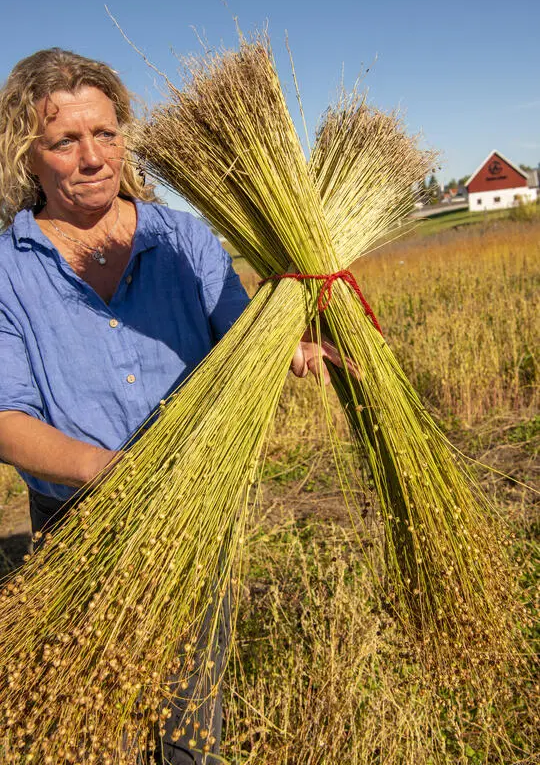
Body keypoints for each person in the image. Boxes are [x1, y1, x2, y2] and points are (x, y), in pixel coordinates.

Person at [0, 48, 340, 763]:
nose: (94, 157)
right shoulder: (7, 273)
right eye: (65, 141)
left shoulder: (182, 238)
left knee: (189, 724)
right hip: (80, 522)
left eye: (107, 133)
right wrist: (109, 472)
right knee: (95, 728)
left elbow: (241, 341)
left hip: (191, 511)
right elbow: (5, 418)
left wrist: (294, 350)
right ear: (29, 158)